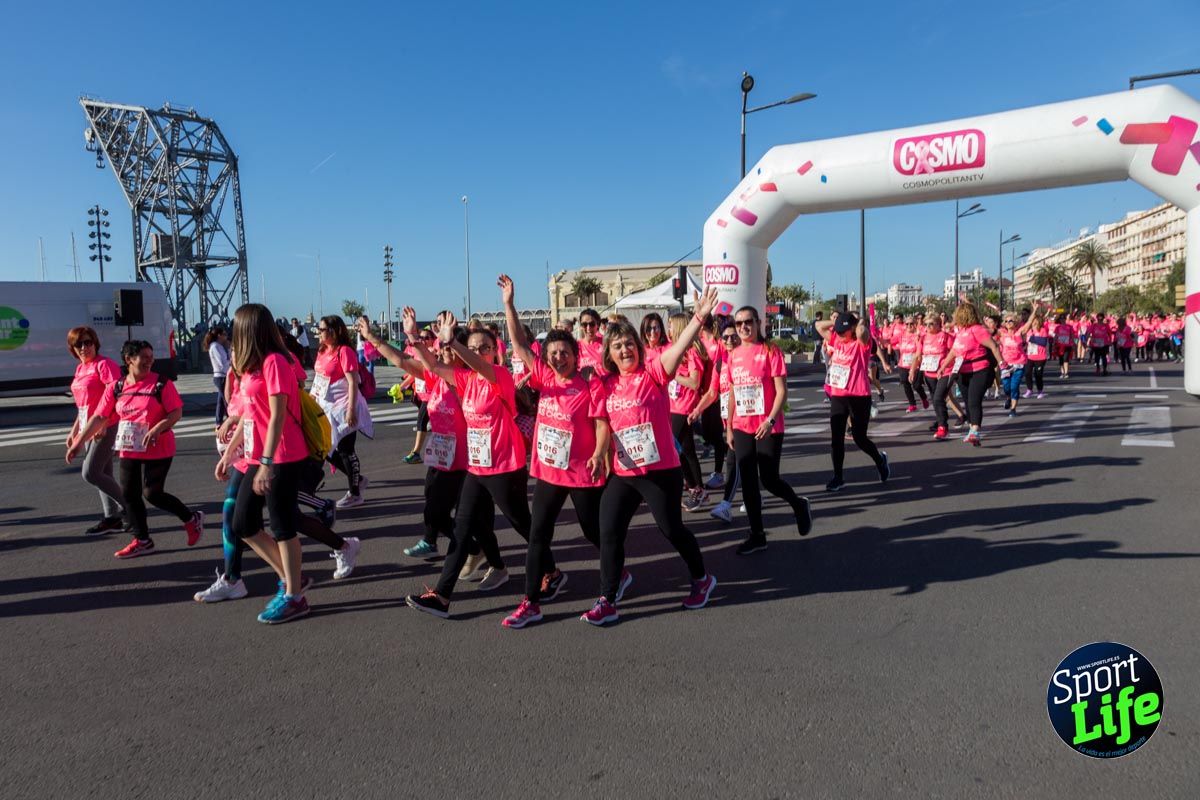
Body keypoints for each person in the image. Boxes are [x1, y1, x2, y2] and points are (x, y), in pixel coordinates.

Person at [580, 288, 723, 626]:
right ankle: (608, 598)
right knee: (608, 530)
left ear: (638, 346)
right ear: (609, 353)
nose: (625, 350)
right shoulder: (606, 384)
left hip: (660, 471)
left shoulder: (654, 373)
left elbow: (679, 348)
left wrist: (699, 317)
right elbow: (602, 425)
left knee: (671, 529)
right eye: (618, 346)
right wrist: (599, 453)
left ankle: (702, 578)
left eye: (629, 343)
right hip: (624, 473)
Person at [405, 308, 550, 618]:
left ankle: (551, 570)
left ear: (495, 350)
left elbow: (480, 366)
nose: (479, 352)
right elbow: (432, 366)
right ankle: (442, 596)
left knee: (522, 524)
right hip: (476, 467)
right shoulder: (465, 379)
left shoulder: (500, 376)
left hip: (505, 467)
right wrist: (413, 336)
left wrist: (454, 343)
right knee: (461, 529)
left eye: (485, 347)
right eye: (474, 347)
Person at [495, 275, 611, 629]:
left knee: (594, 532)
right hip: (548, 471)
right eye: (553, 353)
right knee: (538, 536)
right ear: (546, 357)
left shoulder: (589, 383)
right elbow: (518, 344)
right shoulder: (544, 377)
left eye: (565, 353)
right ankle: (530, 602)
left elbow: (602, 424)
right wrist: (509, 304)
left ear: (575, 356)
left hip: (581, 472)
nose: (559, 358)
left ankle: (616, 572)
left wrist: (599, 453)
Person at [218, 304, 313, 623]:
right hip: (257, 456)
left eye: (236, 328)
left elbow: (277, 416)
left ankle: (294, 596)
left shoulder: (275, 362)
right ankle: (291, 577)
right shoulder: (252, 366)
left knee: (283, 526)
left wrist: (267, 463)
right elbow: (249, 413)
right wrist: (231, 452)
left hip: (282, 454)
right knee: (243, 523)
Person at [68, 340, 203, 558]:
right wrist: (77, 442)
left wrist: (158, 428)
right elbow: (99, 416)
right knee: (130, 494)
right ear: (129, 360)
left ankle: (191, 518)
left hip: (158, 446)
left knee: (153, 494)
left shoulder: (161, 384)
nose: (150, 361)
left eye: (151, 357)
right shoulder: (117, 387)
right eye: (144, 357)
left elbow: (176, 412)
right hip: (130, 446)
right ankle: (142, 540)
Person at [356, 317, 467, 560]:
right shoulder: (436, 376)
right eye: (442, 348)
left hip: (464, 461)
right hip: (441, 455)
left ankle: (473, 550)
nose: (443, 353)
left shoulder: (467, 379)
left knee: (451, 513)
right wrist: (372, 337)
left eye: (449, 349)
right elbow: (402, 360)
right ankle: (444, 543)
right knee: (432, 503)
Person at [724, 306, 813, 553]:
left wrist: (770, 420)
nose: (743, 327)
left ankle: (798, 504)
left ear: (758, 323)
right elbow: (732, 393)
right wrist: (729, 426)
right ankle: (757, 535)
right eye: (738, 323)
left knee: (769, 479)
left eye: (748, 322)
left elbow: (782, 391)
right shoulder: (733, 355)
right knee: (748, 481)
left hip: (768, 426)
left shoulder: (770, 350)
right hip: (742, 425)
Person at [64, 326, 127, 535]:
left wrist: (104, 422)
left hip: (106, 426)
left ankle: (131, 508)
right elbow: (83, 406)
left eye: (88, 342)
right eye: (79, 344)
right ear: (73, 348)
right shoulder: (80, 369)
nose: (84, 347)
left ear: (95, 343)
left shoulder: (104, 365)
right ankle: (112, 518)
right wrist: (74, 430)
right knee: (103, 474)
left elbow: (118, 394)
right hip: (88, 427)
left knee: (90, 472)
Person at [816, 312, 890, 490]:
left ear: (852, 329)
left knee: (859, 438)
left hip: (859, 397)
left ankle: (880, 460)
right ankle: (838, 477)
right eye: (838, 331)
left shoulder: (862, 344)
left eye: (844, 332)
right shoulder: (836, 339)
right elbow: (818, 326)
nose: (840, 334)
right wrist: (835, 321)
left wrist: (858, 323)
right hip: (839, 396)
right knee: (836, 439)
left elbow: (863, 332)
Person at [314, 315, 372, 508]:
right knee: (326, 449)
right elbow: (319, 379)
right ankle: (358, 479)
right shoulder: (322, 350)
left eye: (322, 329)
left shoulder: (345, 351)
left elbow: (353, 382)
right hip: (327, 408)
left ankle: (355, 494)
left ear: (334, 331)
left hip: (344, 407)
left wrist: (351, 410)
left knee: (346, 450)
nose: (319, 333)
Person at [694, 320, 741, 522]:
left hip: (746, 421)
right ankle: (751, 498)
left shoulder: (746, 359)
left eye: (733, 336)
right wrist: (697, 409)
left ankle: (726, 505)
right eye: (726, 337)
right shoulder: (720, 364)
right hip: (729, 420)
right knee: (742, 463)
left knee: (735, 462)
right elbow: (713, 392)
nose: (729, 341)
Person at [940, 301, 1004, 446]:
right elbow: (954, 351)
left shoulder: (978, 329)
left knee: (974, 400)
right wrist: (943, 366)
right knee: (968, 402)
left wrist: (1002, 363)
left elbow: (993, 346)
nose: (955, 317)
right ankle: (972, 430)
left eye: (957, 314)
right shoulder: (961, 331)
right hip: (962, 370)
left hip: (979, 370)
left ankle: (975, 430)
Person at [667, 312, 709, 511]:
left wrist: (673, 375)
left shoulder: (692, 351)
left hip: (684, 407)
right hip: (673, 405)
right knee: (686, 449)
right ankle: (696, 488)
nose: (668, 329)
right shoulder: (677, 349)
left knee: (676, 448)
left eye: (670, 325)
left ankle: (696, 488)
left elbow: (694, 382)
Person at [402, 326, 438, 464]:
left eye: (426, 338)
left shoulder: (432, 354)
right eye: (421, 337)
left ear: (433, 340)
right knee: (434, 424)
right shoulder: (418, 355)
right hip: (421, 393)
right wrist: (401, 386)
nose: (423, 340)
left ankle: (416, 452)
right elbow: (414, 374)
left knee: (421, 422)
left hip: (431, 395)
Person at [894, 316, 929, 413]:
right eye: (907, 324)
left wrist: (919, 336)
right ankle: (912, 404)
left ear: (915, 324)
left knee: (916, 385)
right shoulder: (901, 335)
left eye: (911, 323)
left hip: (916, 364)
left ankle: (923, 397)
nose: (909, 326)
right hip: (903, 364)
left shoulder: (919, 335)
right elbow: (889, 341)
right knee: (905, 384)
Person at [204, 326, 231, 426]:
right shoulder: (215, 346)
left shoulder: (219, 346)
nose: (226, 337)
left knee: (221, 400)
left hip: (222, 375)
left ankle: (219, 421)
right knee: (226, 400)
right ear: (219, 335)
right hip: (221, 376)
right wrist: (231, 363)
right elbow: (222, 363)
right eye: (224, 334)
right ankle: (229, 419)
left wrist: (228, 349)